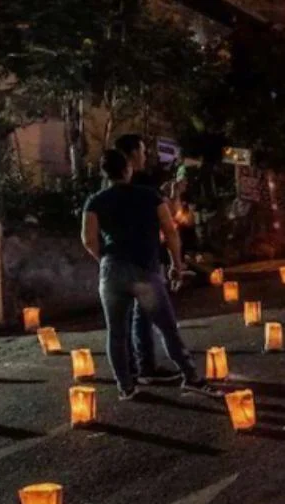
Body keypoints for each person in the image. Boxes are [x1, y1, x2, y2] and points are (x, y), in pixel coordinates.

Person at [81, 151, 219, 400]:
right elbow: (170, 232)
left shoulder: (95, 201)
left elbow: (88, 239)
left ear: (104, 173)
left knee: (116, 332)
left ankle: (126, 387)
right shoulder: (148, 195)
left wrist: (104, 259)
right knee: (166, 327)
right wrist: (176, 264)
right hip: (144, 269)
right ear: (128, 169)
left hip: (111, 271)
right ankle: (191, 377)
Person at [113, 134, 181, 386]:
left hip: (117, 261)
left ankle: (130, 369)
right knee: (145, 314)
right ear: (131, 156)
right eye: (142, 152)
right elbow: (169, 218)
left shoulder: (108, 189)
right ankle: (146, 367)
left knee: (125, 317)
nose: (145, 156)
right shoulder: (143, 185)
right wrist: (174, 195)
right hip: (145, 257)